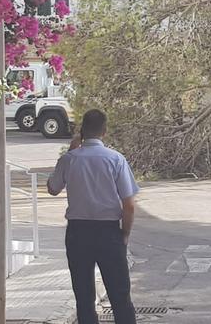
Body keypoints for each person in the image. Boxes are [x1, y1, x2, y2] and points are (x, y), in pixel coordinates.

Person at [48, 109, 139, 324]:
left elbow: (53, 188)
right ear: (104, 131)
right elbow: (129, 205)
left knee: (84, 296)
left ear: (81, 132)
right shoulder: (116, 159)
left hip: (78, 233)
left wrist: (70, 151)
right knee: (120, 296)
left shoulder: (69, 159)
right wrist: (124, 235)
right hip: (108, 232)